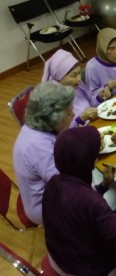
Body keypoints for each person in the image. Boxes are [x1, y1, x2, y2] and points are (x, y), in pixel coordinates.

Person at [42, 126, 116, 275]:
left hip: (59, 259)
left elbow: (81, 210)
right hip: (86, 269)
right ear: (93, 162)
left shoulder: (53, 183)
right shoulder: (90, 201)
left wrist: (103, 186)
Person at [12, 83, 74, 225]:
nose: (74, 115)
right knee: (109, 197)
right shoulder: (39, 147)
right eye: (69, 113)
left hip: (47, 191)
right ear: (54, 118)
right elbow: (68, 186)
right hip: (45, 207)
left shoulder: (35, 128)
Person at [42, 49, 97, 127]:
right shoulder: (52, 98)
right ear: (59, 77)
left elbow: (90, 101)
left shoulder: (75, 85)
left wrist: (99, 97)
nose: (79, 79)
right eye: (74, 75)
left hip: (91, 123)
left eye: (79, 73)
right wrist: (80, 119)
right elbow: (61, 132)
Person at [83, 28, 116, 107]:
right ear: (102, 49)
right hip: (108, 107)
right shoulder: (92, 67)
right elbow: (92, 101)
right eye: (111, 48)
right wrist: (106, 88)